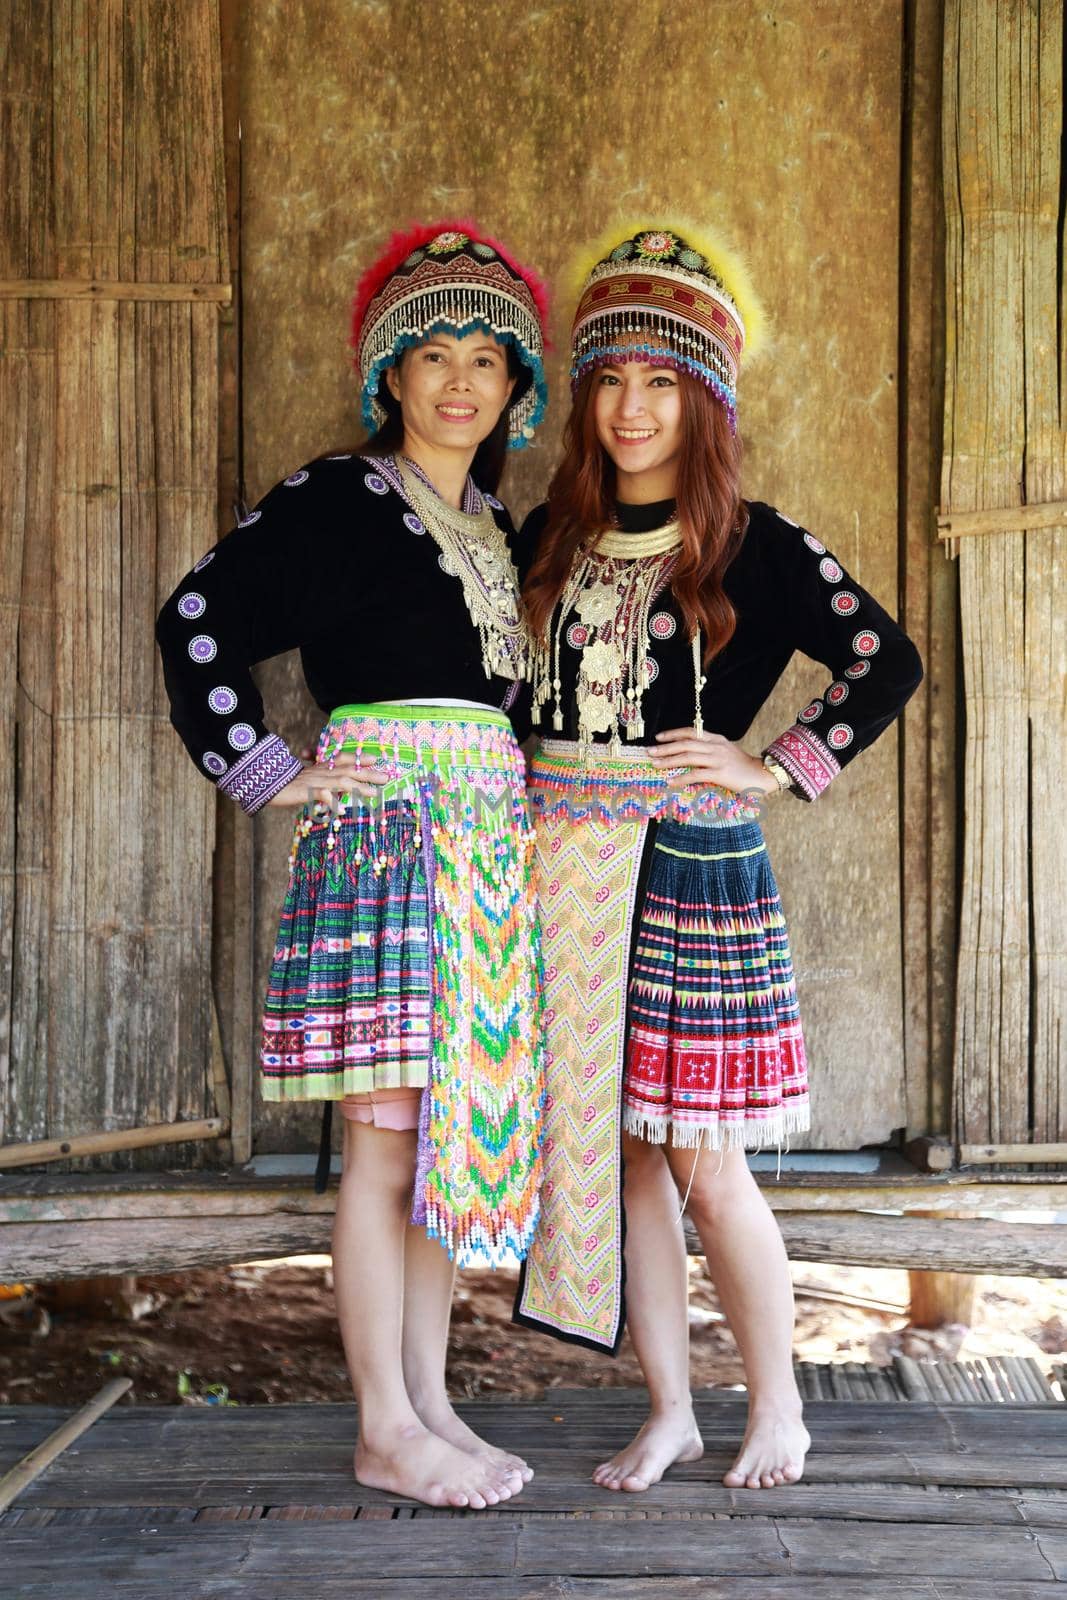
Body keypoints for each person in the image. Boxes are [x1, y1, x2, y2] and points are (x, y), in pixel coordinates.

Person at [513, 221, 923, 1493]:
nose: (633, 408)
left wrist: (775, 761)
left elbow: (885, 661)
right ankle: (671, 1408)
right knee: (613, 1147)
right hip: (558, 872)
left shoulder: (751, 539)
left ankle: (781, 1404)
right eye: (611, 380)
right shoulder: (547, 531)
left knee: (699, 1154)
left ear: (705, 400)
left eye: (662, 382)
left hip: (687, 863)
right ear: (585, 397)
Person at [157, 221, 550, 1510]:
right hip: (385, 847)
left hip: (487, 855)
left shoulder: (498, 528)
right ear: (389, 374)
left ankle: (431, 1401)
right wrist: (266, 768)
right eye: (429, 354)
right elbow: (198, 617)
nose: (455, 382)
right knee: (385, 1149)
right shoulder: (338, 499)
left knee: (450, 1145)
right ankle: (383, 1420)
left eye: (483, 362)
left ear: (512, 391)